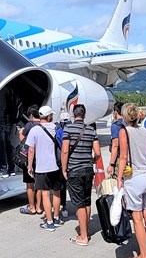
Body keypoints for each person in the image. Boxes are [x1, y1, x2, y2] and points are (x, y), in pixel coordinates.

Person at [116, 103, 146, 258]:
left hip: (135, 178)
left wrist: (119, 178)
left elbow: (123, 157)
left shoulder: (124, 131)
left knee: (138, 218)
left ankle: (142, 257)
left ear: (125, 116)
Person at [61, 104, 102, 246]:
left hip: (75, 169)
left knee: (78, 203)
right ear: (84, 115)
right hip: (88, 169)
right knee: (86, 200)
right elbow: (98, 152)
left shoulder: (68, 129)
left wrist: (64, 169)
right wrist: (92, 161)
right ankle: (86, 228)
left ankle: (83, 236)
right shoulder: (91, 130)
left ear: (73, 115)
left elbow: (65, 151)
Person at [27, 105, 62, 231]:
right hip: (56, 166)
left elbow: (31, 150)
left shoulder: (34, 130)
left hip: (42, 167)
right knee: (56, 192)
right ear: (48, 116)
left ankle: (49, 222)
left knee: (46, 195)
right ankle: (57, 217)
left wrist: (29, 166)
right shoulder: (56, 128)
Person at [18, 105, 41, 216]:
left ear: (31, 115)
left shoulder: (29, 125)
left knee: (30, 184)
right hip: (41, 158)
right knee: (40, 184)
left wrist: (21, 132)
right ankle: (39, 207)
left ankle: (31, 207)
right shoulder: (43, 124)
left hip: (31, 158)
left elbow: (23, 139)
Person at [106, 102, 125, 176]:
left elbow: (115, 146)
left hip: (120, 158)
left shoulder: (115, 126)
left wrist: (111, 164)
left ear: (115, 112)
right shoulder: (129, 123)